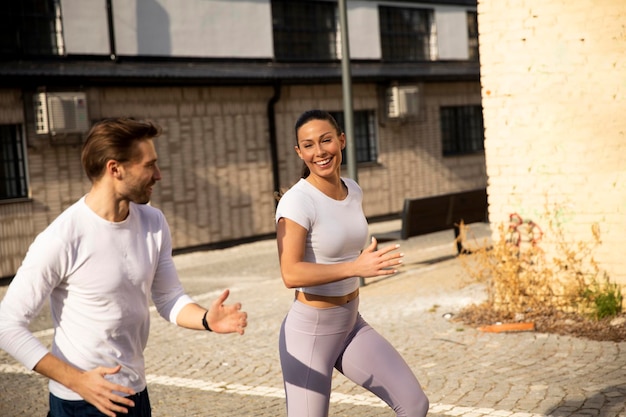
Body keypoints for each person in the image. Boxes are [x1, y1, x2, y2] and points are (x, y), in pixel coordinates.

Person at [0, 117, 248, 417]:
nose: (158, 175)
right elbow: (7, 325)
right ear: (115, 168)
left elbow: (169, 298)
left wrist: (207, 319)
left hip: (135, 394)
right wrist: (77, 382)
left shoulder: (153, 222)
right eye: (149, 165)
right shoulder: (62, 237)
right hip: (81, 404)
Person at [274, 110, 429, 417]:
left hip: (350, 324)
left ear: (341, 140)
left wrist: (359, 262)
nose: (319, 152)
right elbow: (290, 273)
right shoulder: (296, 202)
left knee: (414, 404)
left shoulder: (353, 189)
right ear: (299, 152)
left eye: (326, 140)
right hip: (310, 332)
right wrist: (355, 268)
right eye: (308, 145)